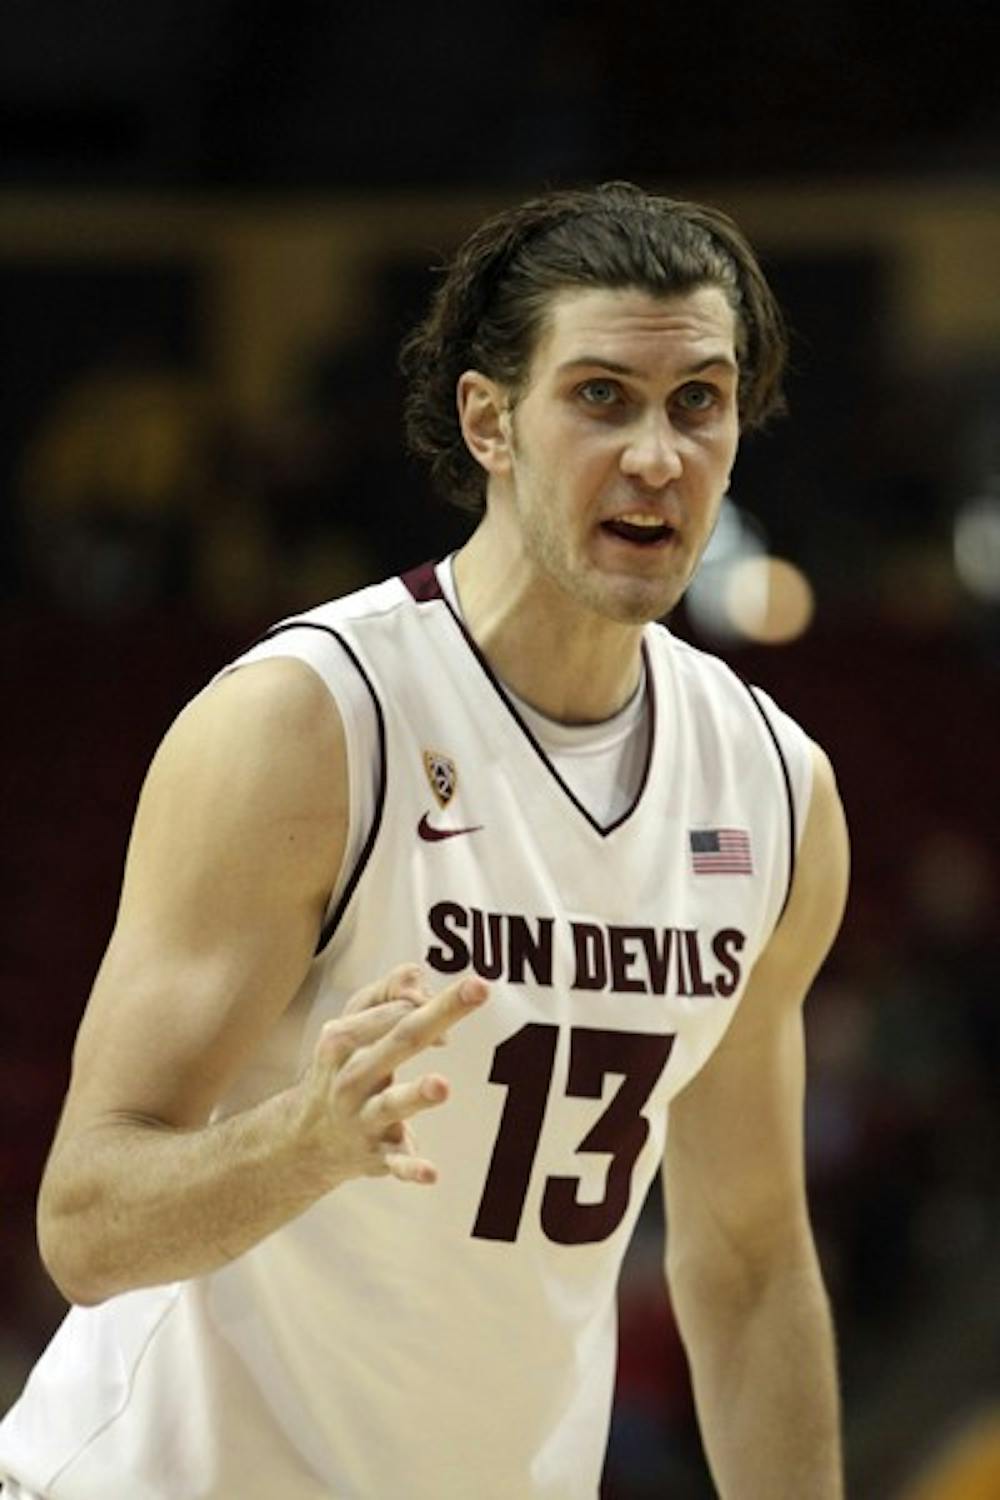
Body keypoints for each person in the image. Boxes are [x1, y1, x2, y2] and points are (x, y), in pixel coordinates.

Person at [0, 181, 848, 1499]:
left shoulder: (776, 791)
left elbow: (746, 1261)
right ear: (489, 419)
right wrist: (300, 1147)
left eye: (700, 401)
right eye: (602, 396)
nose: (658, 455)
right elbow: (86, 1224)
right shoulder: (307, 724)